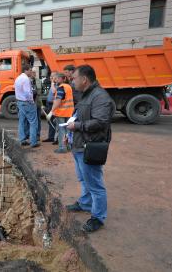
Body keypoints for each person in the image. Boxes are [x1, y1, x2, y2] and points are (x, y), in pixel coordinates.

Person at [66, 64, 115, 233]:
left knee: (95, 184)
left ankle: (98, 218)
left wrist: (77, 126)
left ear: (84, 79)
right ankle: (86, 203)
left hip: (90, 146)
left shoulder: (100, 96)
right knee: (83, 178)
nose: (72, 81)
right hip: (79, 144)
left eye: (74, 78)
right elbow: (80, 115)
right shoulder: (86, 95)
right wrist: (71, 130)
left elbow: (100, 122)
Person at [47, 72, 74, 153]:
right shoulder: (68, 86)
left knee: (61, 130)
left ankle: (62, 148)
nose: (56, 80)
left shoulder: (61, 88)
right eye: (56, 78)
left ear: (63, 79)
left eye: (58, 78)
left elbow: (58, 100)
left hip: (61, 112)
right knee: (68, 130)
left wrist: (51, 111)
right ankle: (69, 146)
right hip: (69, 112)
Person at [15, 63, 39, 148]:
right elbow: (27, 93)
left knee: (21, 121)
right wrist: (31, 101)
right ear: (26, 70)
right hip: (27, 102)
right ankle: (33, 142)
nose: (31, 72)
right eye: (30, 70)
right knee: (33, 122)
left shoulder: (18, 78)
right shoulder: (26, 79)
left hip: (20, 102)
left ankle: (22, 139)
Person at [42, 72, 57, 143]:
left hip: (53, 104)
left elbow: (54, 91)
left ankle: (55, 138)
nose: (51, 77)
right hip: (49, 103)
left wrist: (52, 83)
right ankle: (51, 137)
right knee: (49, 121)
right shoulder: (52, 84)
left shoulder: (56, 84)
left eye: (52, 76)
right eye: (50, 76)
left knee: (53, 121)